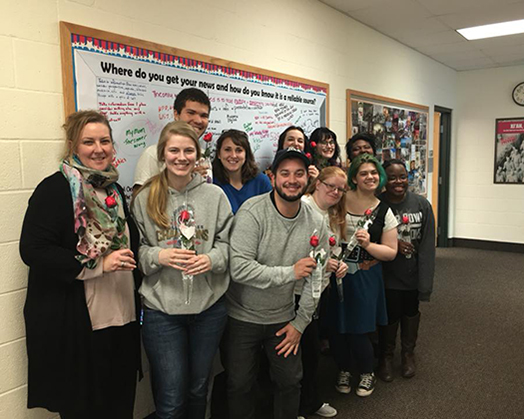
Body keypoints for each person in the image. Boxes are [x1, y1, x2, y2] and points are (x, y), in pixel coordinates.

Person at [19, 110, 142, 418]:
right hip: (80, 329)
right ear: (73, 145)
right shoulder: (55, 190)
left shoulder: (113, 190)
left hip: (122, 320)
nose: (98, 148)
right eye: (89, 141)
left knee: (120, 408)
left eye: (105, 140)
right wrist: (99, 264)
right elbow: (33, 250)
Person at [132, 121, 233, 419]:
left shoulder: (215, 197)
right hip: (161, 311)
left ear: (198, 155)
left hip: (208, 309)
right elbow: (133, 253)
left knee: (199, 388)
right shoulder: (144, 198)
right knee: (171, 398)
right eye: (174, 150)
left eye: (189, 150)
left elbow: (230, 244)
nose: (181, 157)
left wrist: (213, 259)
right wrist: (158, 255)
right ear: (162, 154)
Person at [226, 147, 329, 419]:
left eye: (299, 174)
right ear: (272, 178)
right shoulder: (252, 212)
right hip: (242, 317)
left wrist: (300, 323)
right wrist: (289, 273)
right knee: (239, 385)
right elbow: (239, 268)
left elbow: (317, 279)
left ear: (309, 179)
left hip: (284, 320)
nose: (292, 180)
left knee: (289, 382)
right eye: (285, 173)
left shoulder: (316, 222)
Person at [327, 153, 398, 398]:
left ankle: (367, 372)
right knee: (336, 328)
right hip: (334, 272)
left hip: (366, 276)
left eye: (374, 173)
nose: (370, 177)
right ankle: (344, 369)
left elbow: (390, 252)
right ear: (354, 178)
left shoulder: (384, 210)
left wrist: (368, 245)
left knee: (359, 330)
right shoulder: (339, 199)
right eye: (364, 173)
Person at [298, 166, 350, 418]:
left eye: (341, 189)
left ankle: (310, 400)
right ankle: (295, 405)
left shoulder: (333, 212)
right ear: (317, 183)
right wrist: (323, 261)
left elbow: (334, 249)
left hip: (321, 289)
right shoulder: (303, 207)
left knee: (313, 350)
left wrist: (336, 263)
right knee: (299, 352)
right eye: (331, 186)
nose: (336, 192)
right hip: (298, 290)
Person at [378, 159, 435, 381]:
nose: (398, 182)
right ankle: (386, 356)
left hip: (412, 274)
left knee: (411, 312)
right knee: (390, 314)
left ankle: (408, 354)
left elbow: (428, 246)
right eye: (391, 177)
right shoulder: (378, 204)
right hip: (387, 275)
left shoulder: (421, 205)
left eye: (402, 176)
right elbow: (369, 238)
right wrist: (393, 244)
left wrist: (426, 283)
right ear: (384, 180)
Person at [133, 87, 211, 188]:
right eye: (191, 113)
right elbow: (139, 200)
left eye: (204, 115)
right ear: (176, 114)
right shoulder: (153, 154)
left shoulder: (203, 155)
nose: (198, 120)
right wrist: (185, 176)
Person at [212, 129, 272, 214]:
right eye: (227, 150)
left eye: (239, 150)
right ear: (218, 154)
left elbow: (270, 216)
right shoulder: (211, 182)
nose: (233, 155)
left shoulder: (261, 181)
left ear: (246, 154)